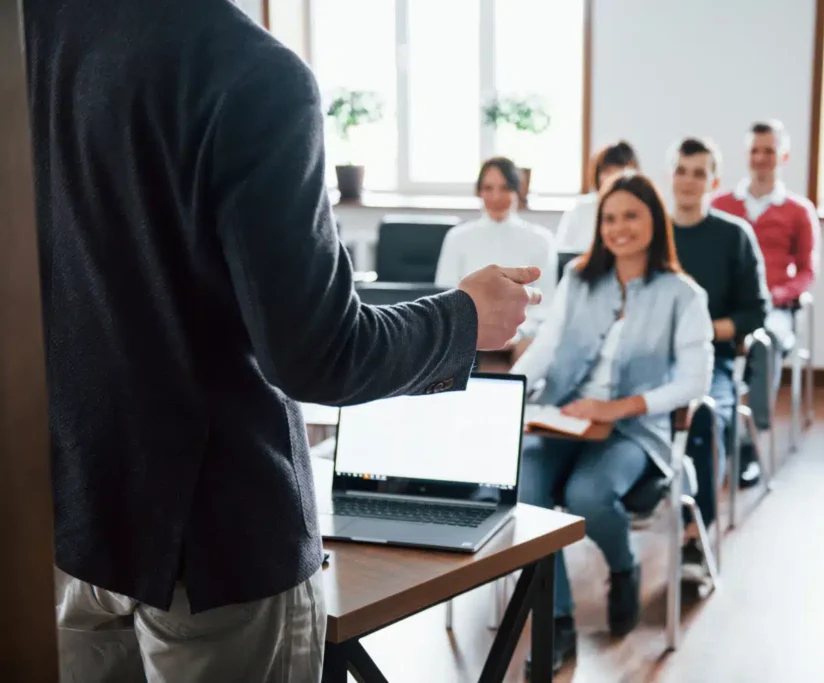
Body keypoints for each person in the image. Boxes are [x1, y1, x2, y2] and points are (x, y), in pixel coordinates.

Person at [25, 2, 541, 680]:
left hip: (73, 520)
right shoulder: (251, 73)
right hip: (219, 546)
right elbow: (319, 352)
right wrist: (464, 319)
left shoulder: (35, 34)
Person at [514, 171, 714, 675]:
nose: (619, 227)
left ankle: (623, 568)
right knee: (525, 484)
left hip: (633, 428)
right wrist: (508, 395)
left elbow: (694, 382)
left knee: (586, 494)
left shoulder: (683, 295)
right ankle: (556, 618)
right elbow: (548, 347)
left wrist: (617, 408)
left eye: (632, 216)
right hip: (563, 415)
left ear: (655, 222)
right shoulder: (579, 280)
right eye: (609, 218)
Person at [670, 137, 769, 557]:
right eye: (681, 170)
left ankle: (695, 529)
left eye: (698, 173)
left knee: (707, 420)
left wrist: (703, 330)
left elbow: (755, 313)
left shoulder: (735, 236)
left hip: (715, 360)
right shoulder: (653, 234)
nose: (688, 181)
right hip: (653, 360)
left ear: (714, 180)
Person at [712, 119, 820, 483]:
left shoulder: (798, 210)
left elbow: (807, 271)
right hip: (727, 307)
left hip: (774, 309)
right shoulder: (721, 204)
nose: (761, 158)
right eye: (755, 151)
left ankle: (748, 438)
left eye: (769, 151)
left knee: (766, 339)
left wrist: (779, 294)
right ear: (746, 155)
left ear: (783, 156)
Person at [435, 157, 557, 354]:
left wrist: (518, 332)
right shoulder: (457, 237)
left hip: (521, 336)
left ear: (517, 190)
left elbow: (547, 303)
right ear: (479, 191)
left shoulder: (541, 240)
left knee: (532, 348)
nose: (496, 197)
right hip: (470, 333)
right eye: (488, 188)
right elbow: (445, 294)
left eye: (505, 188)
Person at [554, 141, 640, 253]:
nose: (614, 178)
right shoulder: (581, 209)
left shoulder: (642, 208)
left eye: (620, 170)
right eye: (607, 171)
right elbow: (561, 250)